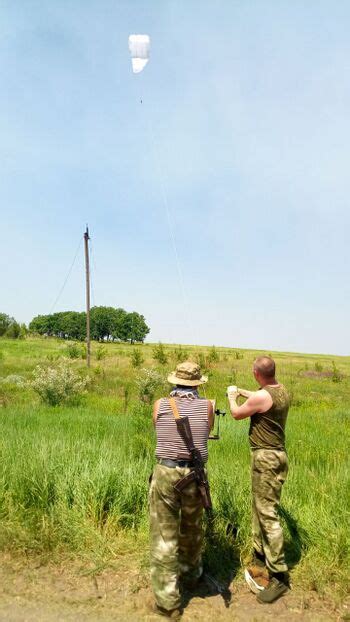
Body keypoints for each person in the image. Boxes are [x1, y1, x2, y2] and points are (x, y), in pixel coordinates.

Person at [149, 361, 214, 619]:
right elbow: (206, 431)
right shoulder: (208, 406)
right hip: (194, 475)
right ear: (198, 384)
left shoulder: (160, 405)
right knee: (193, 527)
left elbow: (158, 427)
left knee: (164, 536)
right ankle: (191, 576)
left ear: (174, 381)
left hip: (166, 472)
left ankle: (168, 603)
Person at [227, 355, 290, 604]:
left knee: (267, 514)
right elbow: (260, 395)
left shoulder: (262, 397)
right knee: (259, 509)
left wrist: (233, 396)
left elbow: (236, 414)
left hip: (266, 459)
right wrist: (243, 390)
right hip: (276, 456)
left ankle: (280, 577)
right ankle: (259, 557)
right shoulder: (280, 390)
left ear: (256, 373)